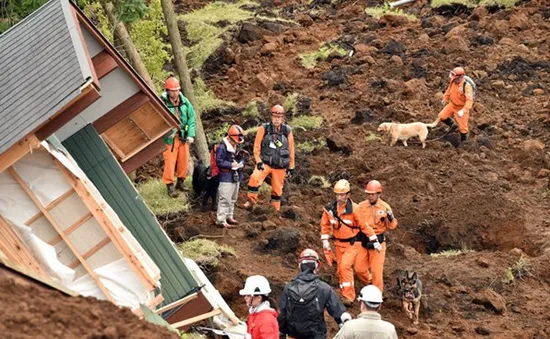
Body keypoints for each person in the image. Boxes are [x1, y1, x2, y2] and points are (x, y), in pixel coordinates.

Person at [278, 249, 351, 339]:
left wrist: (282, 332)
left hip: (293, 336)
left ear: (300, 265)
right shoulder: (324, 288)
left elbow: (281, 315)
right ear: (317, 266)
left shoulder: (288, 288)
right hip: (316, 336)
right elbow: (339, 314)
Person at [320, 179, 371, 306]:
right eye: (337, 194)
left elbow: (363, 226)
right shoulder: (330, 209)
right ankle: (346, 290)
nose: (339, 197)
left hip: (353, 243)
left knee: (345, 267)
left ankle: (349, 296)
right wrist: (325, 241)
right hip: (338, 243)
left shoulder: (355, 209)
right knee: (340, 270)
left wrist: (373, 239)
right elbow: (325, 225)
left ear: (348, 195)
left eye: (342, 195)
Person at [243, 105, 295, 211]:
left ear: (282, 118)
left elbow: (291, 150)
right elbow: (256, 147)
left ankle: (275, 210)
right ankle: (250, 201)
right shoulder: (264, 129)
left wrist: (291, 167)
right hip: (265, 163)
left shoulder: (287, 131)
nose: (276, 119)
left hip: (280, 166)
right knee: (254, 178)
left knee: (277, 190)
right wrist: (258, 162)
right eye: (275, 117)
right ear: (271, 117)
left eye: (279, 117)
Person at [357, 180, 398, 293]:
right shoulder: (361, 206)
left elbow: (392, 226)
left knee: (376, 272)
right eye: (368, 194)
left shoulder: (385, 207)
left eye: (372, 194)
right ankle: (370, 283)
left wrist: (390, 218)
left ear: (378, 194)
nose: (370, 196)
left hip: (378, 243)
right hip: (364, 241)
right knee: (359, 269)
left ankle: (377, 295)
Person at [161, 75, 196, 198]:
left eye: (176, 90)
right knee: (170, 162)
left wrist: (191, 135)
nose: (175, 93)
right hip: (170, 137)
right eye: (172, 90)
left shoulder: (185, 103)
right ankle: (169, 185)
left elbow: (192, 119)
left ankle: (180, 182)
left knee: (183, 160)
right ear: (167, 91)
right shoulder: (162, 102)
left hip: (184, 136)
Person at [215, 124, 246, 228]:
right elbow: (219, 161)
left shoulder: (236, 145)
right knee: (224, 199)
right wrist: (230, 165)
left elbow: (241, 157)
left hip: (236, 175)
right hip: (226, 176)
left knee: (233, 198)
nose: (236, 143)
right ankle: (221, 220)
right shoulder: (222, 147)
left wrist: (241, 163)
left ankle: (229, 216)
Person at [436, 67, 475, 142]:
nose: (454, 79)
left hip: (461, 108)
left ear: (461, 77)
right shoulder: (453, 81)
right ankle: (452, 125)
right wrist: (445, 98)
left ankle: (464, 142)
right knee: (442, 116)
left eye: (456, 78)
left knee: (463, 128)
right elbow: (448, 90)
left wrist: (463, 110)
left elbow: (469, 100)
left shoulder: (466, 86)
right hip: (452, 104)